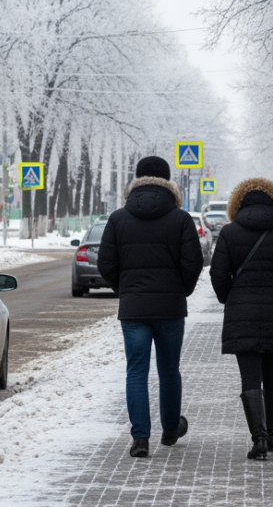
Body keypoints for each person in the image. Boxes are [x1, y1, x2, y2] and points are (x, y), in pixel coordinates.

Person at [98, 156, 204, 459]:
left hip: (134, 309)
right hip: (170, 306)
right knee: (169, 369)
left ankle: (140, 438)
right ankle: (170, 429)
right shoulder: (181, 219)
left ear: (136, 180)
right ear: (169, 182)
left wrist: (126, 289)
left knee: (136, 371)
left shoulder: (119, 218)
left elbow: (106, 262)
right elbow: (193, 262)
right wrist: (180, 290)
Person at [210, 178, 273, 461]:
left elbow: (218, 274)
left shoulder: (230, 234)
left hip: (241, 312)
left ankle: (259, 439)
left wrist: (230, 297)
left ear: (237, 205)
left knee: (249, 375)